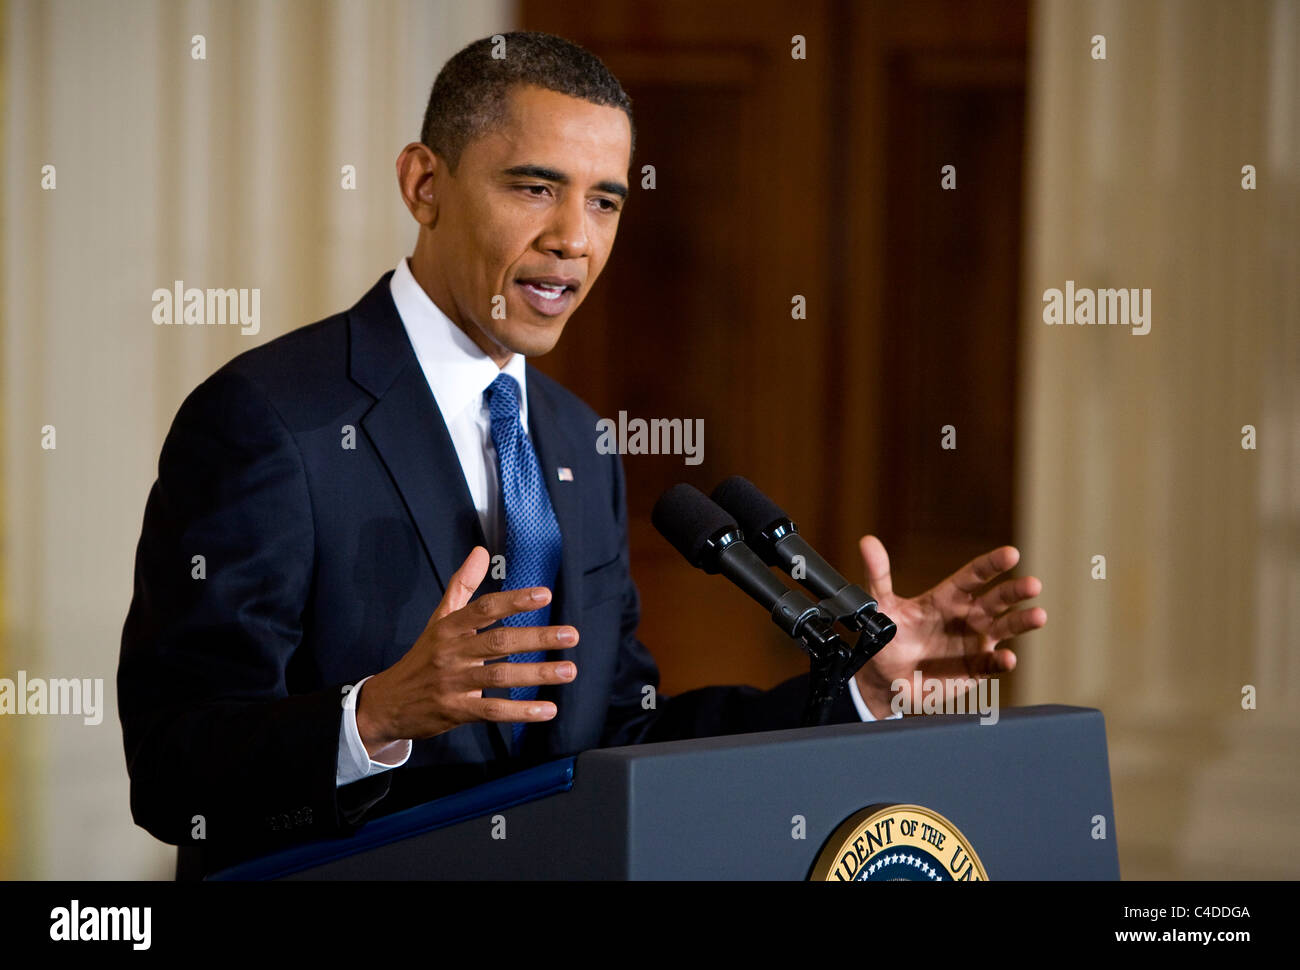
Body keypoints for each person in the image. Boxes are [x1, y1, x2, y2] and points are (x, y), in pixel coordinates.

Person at [118, 31, 1046, 879]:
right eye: (534, 187)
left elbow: (614, 740)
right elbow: (172, 771)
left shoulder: (573, 439)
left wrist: (852, 693)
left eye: (604, 200)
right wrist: (376, 716)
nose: (575, 237)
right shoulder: (270, 418)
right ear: (423, 184)